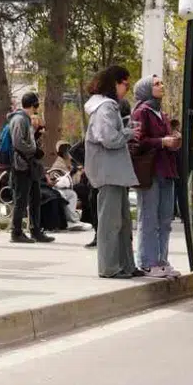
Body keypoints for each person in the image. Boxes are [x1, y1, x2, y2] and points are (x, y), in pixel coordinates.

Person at [82, 65, 142, 279]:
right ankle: (110, 267)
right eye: (125, 84)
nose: (126, 88)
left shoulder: (106, 107)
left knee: (123, 222)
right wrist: (127, 133)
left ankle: (126, 265)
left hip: (113, 172)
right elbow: (108, 138)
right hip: (109, 172)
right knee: (111, 222)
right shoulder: (106, 108)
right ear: (115, 83)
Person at [130, 76, 183, 278]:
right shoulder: (141, 112)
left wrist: (174, 140)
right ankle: (146, 261)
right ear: (145, 89)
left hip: (167, 170)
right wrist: (162, 142)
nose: (162, 86)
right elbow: (137, 142)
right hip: (150, 171)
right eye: (156, 84)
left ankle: (162, 260)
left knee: (165, 219)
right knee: (149, 218)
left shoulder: (161, 112)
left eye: (162, 82)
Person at [8, 92, 54, 243]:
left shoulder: (25, 119)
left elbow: (26, 140)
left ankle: (36, 230)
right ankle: (16, 232)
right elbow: (18, 142)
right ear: (34, 105)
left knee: (35, 197)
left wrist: (36, 137)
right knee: (21, 199)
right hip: (21, 165)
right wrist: (34, 150)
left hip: (29, 164)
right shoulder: (19, 119)